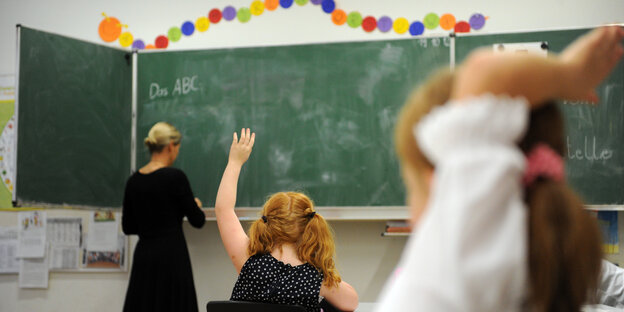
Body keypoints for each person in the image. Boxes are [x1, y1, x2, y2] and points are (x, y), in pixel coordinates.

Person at [376, 26, 624, 311]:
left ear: (440, 182)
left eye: (411, 187)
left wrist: (571, 74)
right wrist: (569, 74)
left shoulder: (449, 276)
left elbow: (485, 73)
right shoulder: (564, 282)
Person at [215, 128, 359, 312]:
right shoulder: (314, 278)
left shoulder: (248, 259)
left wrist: (234, 162)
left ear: (268, 221)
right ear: (309, 227)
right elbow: (351, 303)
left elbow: (223, 209)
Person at [122, 122, 206, 312]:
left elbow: (129, 227)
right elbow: (197, 221)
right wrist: (195, 206)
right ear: (170, 146)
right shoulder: (175, 177)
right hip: (172, 257)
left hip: (145, 257)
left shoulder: (134, 181)